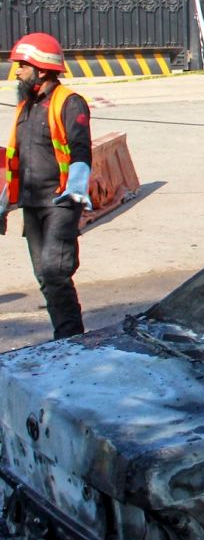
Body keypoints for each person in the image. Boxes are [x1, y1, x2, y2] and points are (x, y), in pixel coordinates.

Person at [1, 34, 93, 339]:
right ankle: (65, 336)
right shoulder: (26, 105)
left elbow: (81, 149)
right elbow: (18, 157)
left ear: (41, 69)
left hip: (61, 202)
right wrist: (4, 202)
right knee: (44, 276)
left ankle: (70, 340)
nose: (16, 71)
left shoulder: (68, 102)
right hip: (32, 203)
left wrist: (77, 188)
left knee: (55, 270)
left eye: (22, 65)